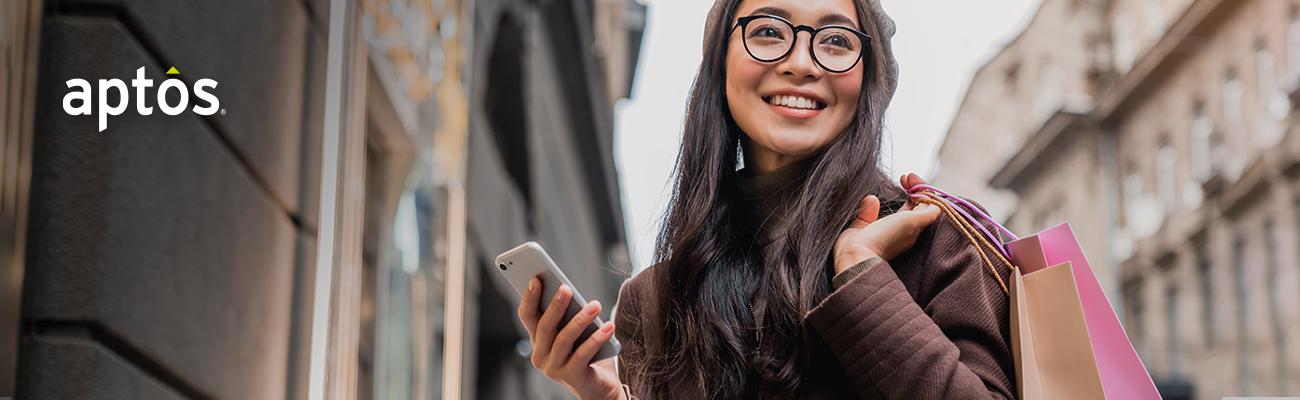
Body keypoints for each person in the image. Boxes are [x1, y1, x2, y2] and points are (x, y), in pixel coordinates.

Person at [516, 0, 1016, 398]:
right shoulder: (654, 300)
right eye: (769, 32)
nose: (800, 64)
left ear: (870, 77)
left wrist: (862, 277)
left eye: (837, 40)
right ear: (721, 64)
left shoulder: (936, 243)